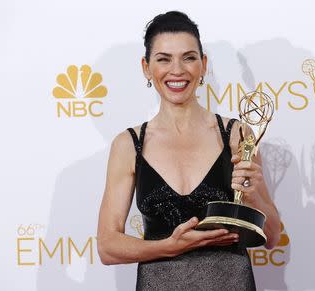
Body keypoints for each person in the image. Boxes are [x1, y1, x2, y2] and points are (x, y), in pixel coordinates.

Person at [97, 11, 281, 290]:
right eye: (163, 59)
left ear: (203, 65)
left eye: (189, 57)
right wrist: (168, 247)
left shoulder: (237, 135)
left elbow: (273, 237)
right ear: (146, 68)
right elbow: (108, 247)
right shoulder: (129, 144)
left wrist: (253, 195)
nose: (177, 70)